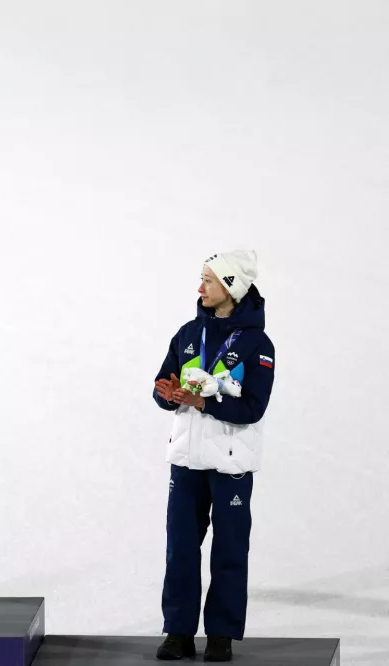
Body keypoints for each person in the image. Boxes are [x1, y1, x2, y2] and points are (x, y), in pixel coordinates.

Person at [151, 250, 276, 662]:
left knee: (229, 549)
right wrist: (166, 394)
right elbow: (165, 382)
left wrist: (206, 403)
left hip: (230, 466)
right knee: (181, 548)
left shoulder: (258, 344)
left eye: (209, 280)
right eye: (201, 278)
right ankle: (179, 633)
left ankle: (220, 634)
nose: (200, 287)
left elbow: (253, 407)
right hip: (186, 462)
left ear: (232, 288)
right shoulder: (188, 333)